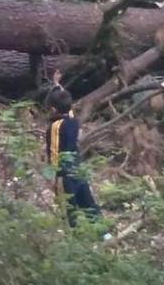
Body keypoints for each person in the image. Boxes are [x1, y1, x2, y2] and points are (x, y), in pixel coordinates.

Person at [44, 85, 100, 227]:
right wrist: (57, 85)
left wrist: (54, 176)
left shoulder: (55, 127)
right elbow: (66, 106)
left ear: (52, 109)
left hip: (64, 175)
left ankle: (73, 238)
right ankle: (105, 234)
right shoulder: (73, 121)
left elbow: (55, 152)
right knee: (88, 204)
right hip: (78, 169)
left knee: (68, 211)